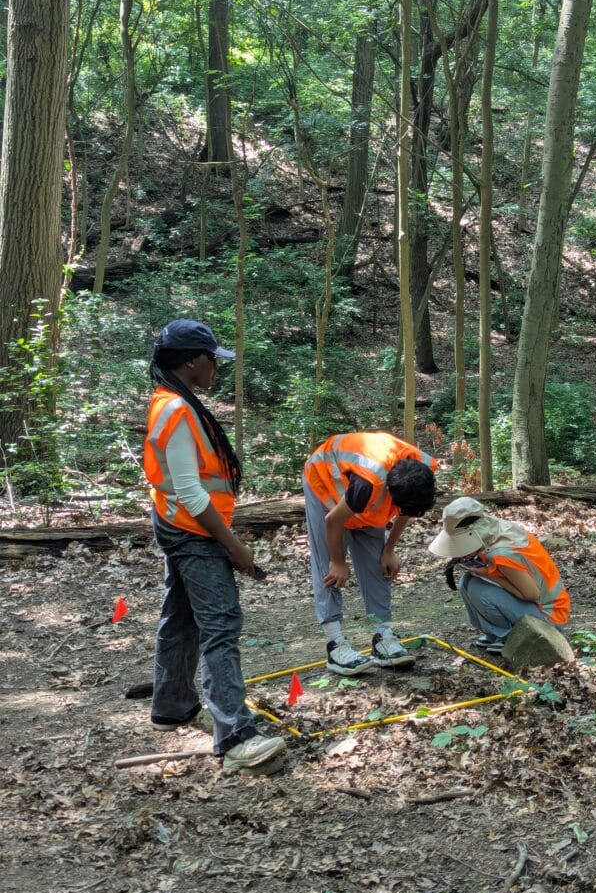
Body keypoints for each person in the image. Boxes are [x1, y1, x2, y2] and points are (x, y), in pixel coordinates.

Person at [144, 318, 286, 772]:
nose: (216, 368)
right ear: (192, 362)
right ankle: (236, 737)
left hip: (177, 523)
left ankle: (172, 707)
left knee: (181, 616)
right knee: (220, 625)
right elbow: (190, 490)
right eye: (212, 359)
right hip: (194, 530)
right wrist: (233, 546)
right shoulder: (176, 410)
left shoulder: (172, 401)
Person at [303, 431, 438, 674]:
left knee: (378, 563)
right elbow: (333, 521)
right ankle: (335, 644)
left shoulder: (420, 474)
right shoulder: (368, 484)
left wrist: (389, 549)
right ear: (390, 492)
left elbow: (406, 509)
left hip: (367, 493)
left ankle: (382, 636)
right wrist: (338, 561)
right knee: (329, 569)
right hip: (324, 482)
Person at [428, 497, 570, 653]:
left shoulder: (501, 553)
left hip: (548, 618)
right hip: (538, 608)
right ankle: (494, 634)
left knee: (478, 589)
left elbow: (531, 594)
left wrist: (491, 576)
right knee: (466, 581)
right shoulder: (496, 530)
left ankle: (509, 636)